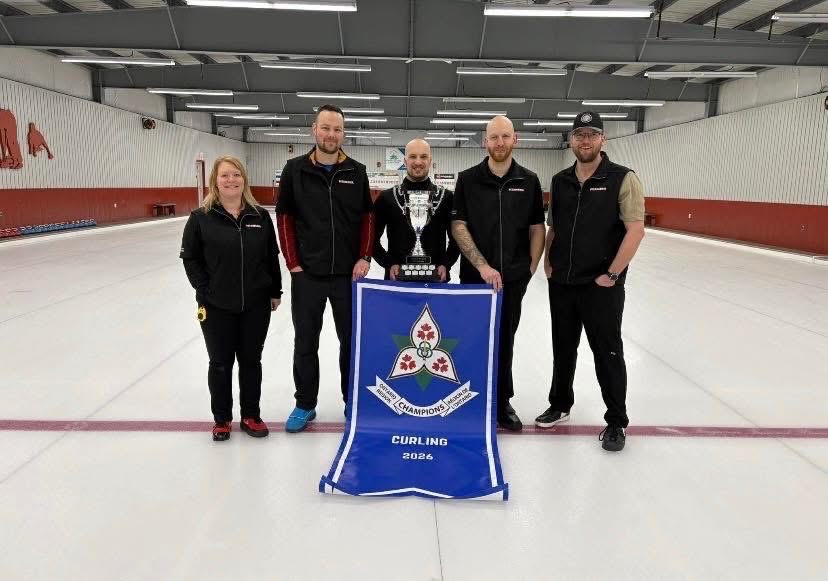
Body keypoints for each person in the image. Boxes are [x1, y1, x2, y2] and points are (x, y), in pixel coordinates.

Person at [536, 111, 646, 452]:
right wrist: (547, 261)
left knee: (608, 352)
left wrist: (612, 274)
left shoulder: (622, 178)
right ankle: (560, 404)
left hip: (602, 286)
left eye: (592, 134)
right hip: (564, 283)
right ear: (570, 141)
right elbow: (554, 225)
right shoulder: (560, 180)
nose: (585, 141)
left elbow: (636, 230)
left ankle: (616, 421)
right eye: (579, 135)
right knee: (562, 348)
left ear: (603, 140)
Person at [275, 104, 374, 433]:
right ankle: (305, 403)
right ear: (314, 130)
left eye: (337, 129)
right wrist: (293, 264)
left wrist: (365, 256)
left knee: (351, 341)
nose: (331, 135)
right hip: (309, 275)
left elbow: (367, 219)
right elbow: (285, 218)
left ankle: (353, 401)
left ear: (343, 134)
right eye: (326, 128)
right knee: (305, 342)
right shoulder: (294, 170)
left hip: (348, 275)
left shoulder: (356, 172)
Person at [451, 115, 545, 431]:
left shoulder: (529, 181)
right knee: (470, 340)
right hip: (474, 279)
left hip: (512, 280)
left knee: (505, 341)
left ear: (514, 139)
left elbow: (536, 228)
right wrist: (482, 265)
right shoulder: (467, 179)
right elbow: (458, 225)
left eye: (505, 136)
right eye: (494, 137)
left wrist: (529, 269)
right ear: (485, 141)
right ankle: (468, 400)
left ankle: (502, 402)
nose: (499, 143)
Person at [180, 156, 282, 442]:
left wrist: (275, 291)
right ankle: (222, 419)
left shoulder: (259, 217)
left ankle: (251, 415)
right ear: (215, 180)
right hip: (215, 305)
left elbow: (271, 258)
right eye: (225, 175)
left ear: (244, 180)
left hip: (255, 303)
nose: (231, 180)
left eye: (236, 175)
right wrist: (206, 290)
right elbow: (190, 259)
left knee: (251, 361)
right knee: (220, 362)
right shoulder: (200, 218)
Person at [373, 138, 459, 281]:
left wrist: (446, 264)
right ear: (405, 161)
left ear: (430, 160)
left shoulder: (447, 198)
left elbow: (456, 239)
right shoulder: (386, 198)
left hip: (436, 279)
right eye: (413, 156)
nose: (418, 162)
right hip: (397, 280)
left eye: (423, 156)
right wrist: (388, 264)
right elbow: (372, 239)